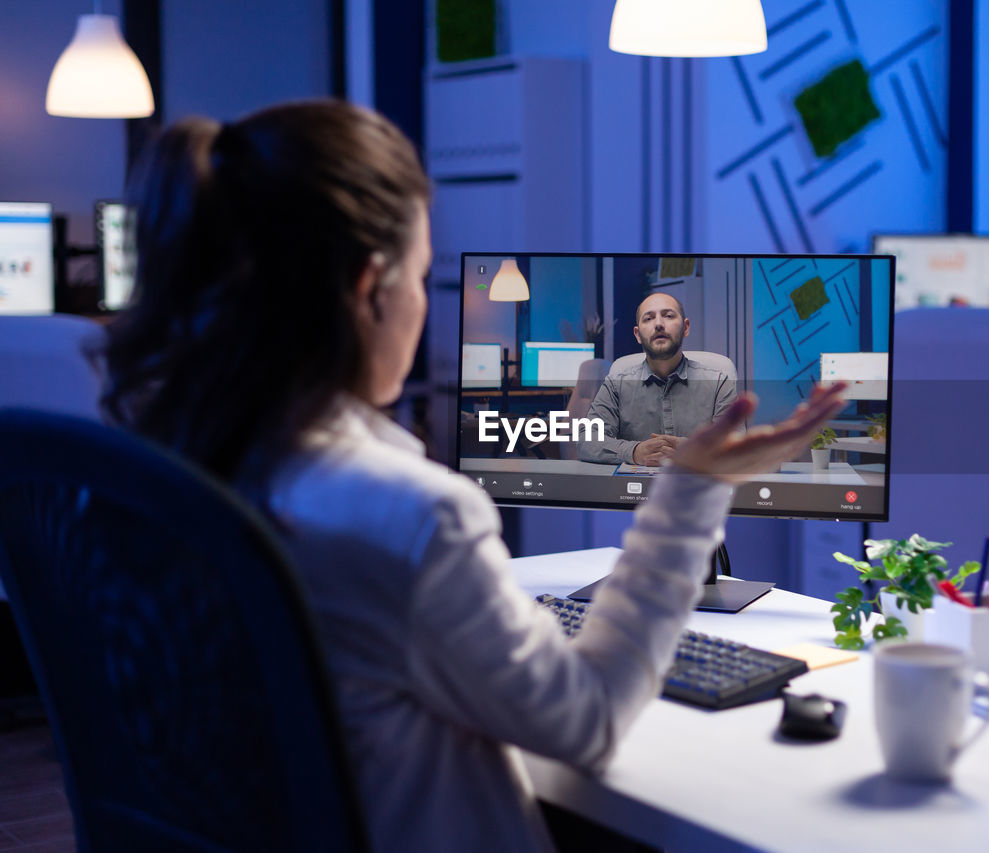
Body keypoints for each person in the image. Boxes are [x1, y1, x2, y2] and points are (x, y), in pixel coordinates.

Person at [101, 99, 845, 853]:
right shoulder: (416, 518)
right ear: (370, 289)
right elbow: (586, 720)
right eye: (423, 277)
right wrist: (691, 492)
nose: (426, 304)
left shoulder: (162, 465)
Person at [578, 292, 738, 466]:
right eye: (648, 318)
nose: (659, 324)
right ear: (637, 335)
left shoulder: (719, 381)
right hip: (634, 490)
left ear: (685, 327)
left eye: (668, 316)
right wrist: (634, 452)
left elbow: (736, 444)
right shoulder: (617, 383)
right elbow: (587, 440)